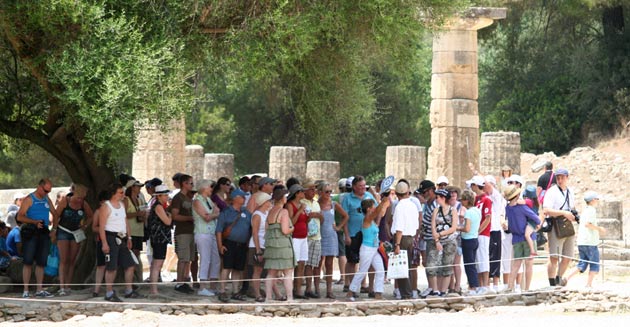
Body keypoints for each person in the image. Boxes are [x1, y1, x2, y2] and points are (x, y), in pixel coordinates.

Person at [99, 183, 142, 302]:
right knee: (112, 267)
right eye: (120, 192)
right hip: (111, 237)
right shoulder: (106, 206)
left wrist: (129, 238)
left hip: (122, 237)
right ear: (113, 193)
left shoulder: (122, 205)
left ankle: (129, 290)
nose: (123, 194)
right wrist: (104, 243)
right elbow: (101, 227)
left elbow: (125, 222)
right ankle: (109, 292)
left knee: (130, 264)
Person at [17, 178, 58, 298]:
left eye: (49, 191)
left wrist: (54, 230)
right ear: (39, 187)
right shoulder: (29, 199)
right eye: (45, 190)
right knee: (28, 261)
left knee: (41, 262)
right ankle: (26, 290)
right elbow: (20, 216)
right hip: (31, 231)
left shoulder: (46, 199)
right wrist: (34, 222)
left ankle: (39, 289)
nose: (47, 193)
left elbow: (55, 214)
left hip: (44, 231)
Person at [53, 184, 93, 296]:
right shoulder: (65, 201)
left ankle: (68, 286)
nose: (80, 199)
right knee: (63, 259)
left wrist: (85, 226)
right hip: (63, 231)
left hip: (76, 232)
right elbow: (56, 215)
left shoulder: (84, 204)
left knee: (72, 260)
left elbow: (91, 215)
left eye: (82, 198)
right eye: (78, 197)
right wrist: (54, 230)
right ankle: (61, 287)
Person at [347, 198, 390, 301]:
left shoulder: (372, 221)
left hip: (375, 249)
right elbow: (376, 212)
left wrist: (383, 204)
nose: (374, 207)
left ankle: (378, 293)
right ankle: (351, 291)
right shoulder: (367, 219)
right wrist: (382, 202)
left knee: (380, 270)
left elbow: (378, 213)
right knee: (362, 271)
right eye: (373, 206)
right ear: (368, 208)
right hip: (367, 248)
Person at [542, 168, 578, 287]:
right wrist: (563, 213)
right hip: (555, 225)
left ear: (567, 178)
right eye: (558, 177)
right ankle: (552, 283)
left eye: (562, 177)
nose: (560, 180)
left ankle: (559, 279)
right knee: (554, 257)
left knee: (568, 256)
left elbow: (572, 207)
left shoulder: (570, 191)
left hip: (567, 224)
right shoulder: (551, 191)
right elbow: (546, 209)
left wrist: (573, 215)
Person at [341, 176, 376, 294]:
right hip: (353, 233)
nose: (363, 188)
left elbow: (377, 212)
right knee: (352, 260)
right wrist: (346, 235)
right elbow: (344, 217)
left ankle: (369, 287)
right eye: (360, 186)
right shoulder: (347, 199)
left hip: (367, 234)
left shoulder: (369, 196)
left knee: (369, 260)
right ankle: (352, 287)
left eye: (364, 185)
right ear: (354, 187)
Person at [215, 190, 252, 302]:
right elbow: (219, 230)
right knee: (226, 267)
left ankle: (235, 291)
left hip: (242, 244)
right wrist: (220, 245)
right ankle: (222, 290)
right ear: (235, 198)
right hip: (229, 243)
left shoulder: (246, 212)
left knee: (238, 268)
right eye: (242, 197)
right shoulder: (226, 212)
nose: (244, 199)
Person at [503, 185, 540, 292]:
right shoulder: (523, 208)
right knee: (529, 264)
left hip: (516, 238)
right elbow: (536, 219)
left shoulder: (508, 208)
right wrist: (533, 226)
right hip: (528, 238)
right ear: (518, 195)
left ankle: (510, 287)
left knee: (516, 264)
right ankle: (526, 289)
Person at [565, 191, 606, 288]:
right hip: (590, 242)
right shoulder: (592, 210)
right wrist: (599, 229)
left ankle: (566, 278)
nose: (597, 201)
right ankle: (589, 284)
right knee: (594, 263)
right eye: (596, 199)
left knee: (582, 263)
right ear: (592, 201)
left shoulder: (585, 210)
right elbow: (588, 224)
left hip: (582, 241)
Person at [264, 185, 297, 301]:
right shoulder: (283, 212)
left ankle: (268, 298)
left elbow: (266, 228)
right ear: (282, 198)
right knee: (288, 272)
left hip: (271, 244)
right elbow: (285, 230)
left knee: (271, 273)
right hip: (283, 244)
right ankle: (289, 298)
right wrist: (292, 229)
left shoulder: (270, 212)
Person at [425, 189, 458, 296]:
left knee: (447, 265)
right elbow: (433, 225)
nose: (436, 199)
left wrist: (440, 234)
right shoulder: (436, 210)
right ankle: (435, 290)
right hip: (438, 240)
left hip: (449, 240)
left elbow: (453, 228)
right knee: (431, 265)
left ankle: (443, 291)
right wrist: (437, 240)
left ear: (443, 198)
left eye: (438, 197)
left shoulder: (453, 211)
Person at [318, 182, 348, 299]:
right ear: (320, 192)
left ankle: (329, 290)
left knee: (329, 263)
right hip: (319, 235)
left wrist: (339, 227)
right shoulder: (316, 204)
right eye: (327, 192)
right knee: (318, 263)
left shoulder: (333, 204)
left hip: (330, 235)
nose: (329, 194)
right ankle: (316, 288)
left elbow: (346, 216)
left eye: (330, 191)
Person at [391, 181, 419, 299]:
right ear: (408, 192)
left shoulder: (399, 206)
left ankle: (405, 294)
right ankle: (410, 291)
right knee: (408, 266)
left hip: (401, 238)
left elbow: (399, 227)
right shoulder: (413, 205)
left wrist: (397, 244)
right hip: (411, 237)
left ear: (397, 194)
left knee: (401, 267)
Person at [192, 179, 221, 297]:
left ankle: (213, 286)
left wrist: (213, 214)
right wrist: (214, 214)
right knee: (205, 259)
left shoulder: (208, 200)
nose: (212, 189)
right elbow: (206, 217)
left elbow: (214, 212)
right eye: (210, 187)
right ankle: (202, 286)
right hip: (202, 232)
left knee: (216, 259)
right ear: (204, 188)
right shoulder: (197, 201)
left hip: (212, 232)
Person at [466, 175, 492, 294]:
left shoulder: (486, 199)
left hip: (482, 233)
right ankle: (479, 284)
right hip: (475, 234)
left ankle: (485, 285)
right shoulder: (475, 200)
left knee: (483, 258)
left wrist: (478, 231)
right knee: (476, 259)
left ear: (476, 186)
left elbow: (487, 218)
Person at [170, 174, 196, 294]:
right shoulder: (178, 198)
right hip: (182, 232)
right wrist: (189, 218)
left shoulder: (188, 198)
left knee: (188, 258)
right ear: (184, 184)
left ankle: (185, 280)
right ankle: (179, 283)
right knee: (183, 258)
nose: (192, 185)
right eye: (190, 183)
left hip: (191, 231)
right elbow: (175, 215)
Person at [147, 185, 173, 295]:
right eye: (165, 195)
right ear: (159, 196)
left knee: (156, 263)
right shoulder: (158, 207)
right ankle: (154, 289)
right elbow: (167, 221)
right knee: (157, 264)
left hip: (160, 238)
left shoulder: (160, 206)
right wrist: (170, 216)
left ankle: (154, 288)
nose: (167, 197)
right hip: (158, 238)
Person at [285, 184, 309, 299]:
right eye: (302, 191)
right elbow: (291, 222)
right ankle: (292, 289)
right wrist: (299, 211)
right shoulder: (290, 205)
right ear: (297, 193)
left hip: (303, 237)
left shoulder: (302, 205)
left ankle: (298, 289)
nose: (304, 193)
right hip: (295, 237)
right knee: (294, 264)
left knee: (302, 263)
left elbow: (305, 221)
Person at [248, 192, 272, 302]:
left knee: (265, 270)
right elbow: (255, 233)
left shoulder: (267, 213)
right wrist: (258, 249)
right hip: (257, 245)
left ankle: (268, 293)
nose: (270, 203)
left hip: (265, 244)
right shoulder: (257, 214)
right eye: (268, 201)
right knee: (257, 270)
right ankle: (257, 293)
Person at [302, 180, 324, 299]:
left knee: (316, 264)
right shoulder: (302, 202)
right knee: (307, 264)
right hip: (307, 237)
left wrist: (320, 216)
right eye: (311, 189)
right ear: (305, 190)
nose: (314, 191)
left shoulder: (316, 203)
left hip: (317, 236)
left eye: (314, 189)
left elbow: (322, 220)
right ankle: (308, 288)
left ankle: (317, 288)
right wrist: (309, 217)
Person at [123, 179, 147, 287]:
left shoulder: (140, 199)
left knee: (136, 255)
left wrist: (143, 215)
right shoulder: (126, 199)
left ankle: (134, 279)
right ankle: (130, 281)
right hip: (130, 231)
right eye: (137, 186)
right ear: (132, 187)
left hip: (139, 231)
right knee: (130, 255)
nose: (140, 188)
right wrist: (137, 213)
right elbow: (124, 215)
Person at [417, 180, 438, 298]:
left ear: (431, 190)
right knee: (428, 264)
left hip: (433, 239)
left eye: (424, 192)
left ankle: (435, 289)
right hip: (428, 238)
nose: (423, 195)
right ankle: (432, 287)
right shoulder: (428, 204)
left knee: (432, 265)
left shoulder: (435, 205)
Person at [458, 189, 481, 295]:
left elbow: (467, 229)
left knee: (469, 265)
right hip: (475, 238)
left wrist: (457, 228)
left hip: (467, 240)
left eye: (462, 200)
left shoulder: (468, 213)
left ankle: (473, 286)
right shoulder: (477, 210)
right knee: (472, 264)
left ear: (467, 200)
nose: (461, 202)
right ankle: (474, 285)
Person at [484, 175, 505, 293]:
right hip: (485, 230)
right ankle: (486, 284)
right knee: (486, 257)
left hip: (494, 229)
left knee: (495, 257)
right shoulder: (483, 197)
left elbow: (489, 186)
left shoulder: (496, 195)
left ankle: (496, 284)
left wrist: (476, 172)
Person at [91, 190, 110, 297]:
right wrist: (104, 228)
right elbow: (94, 227)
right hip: (101, 240)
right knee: (101, 265)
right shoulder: (98, 212)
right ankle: (96, 289)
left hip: (113, 240)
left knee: (111, 266)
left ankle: (109, 289)